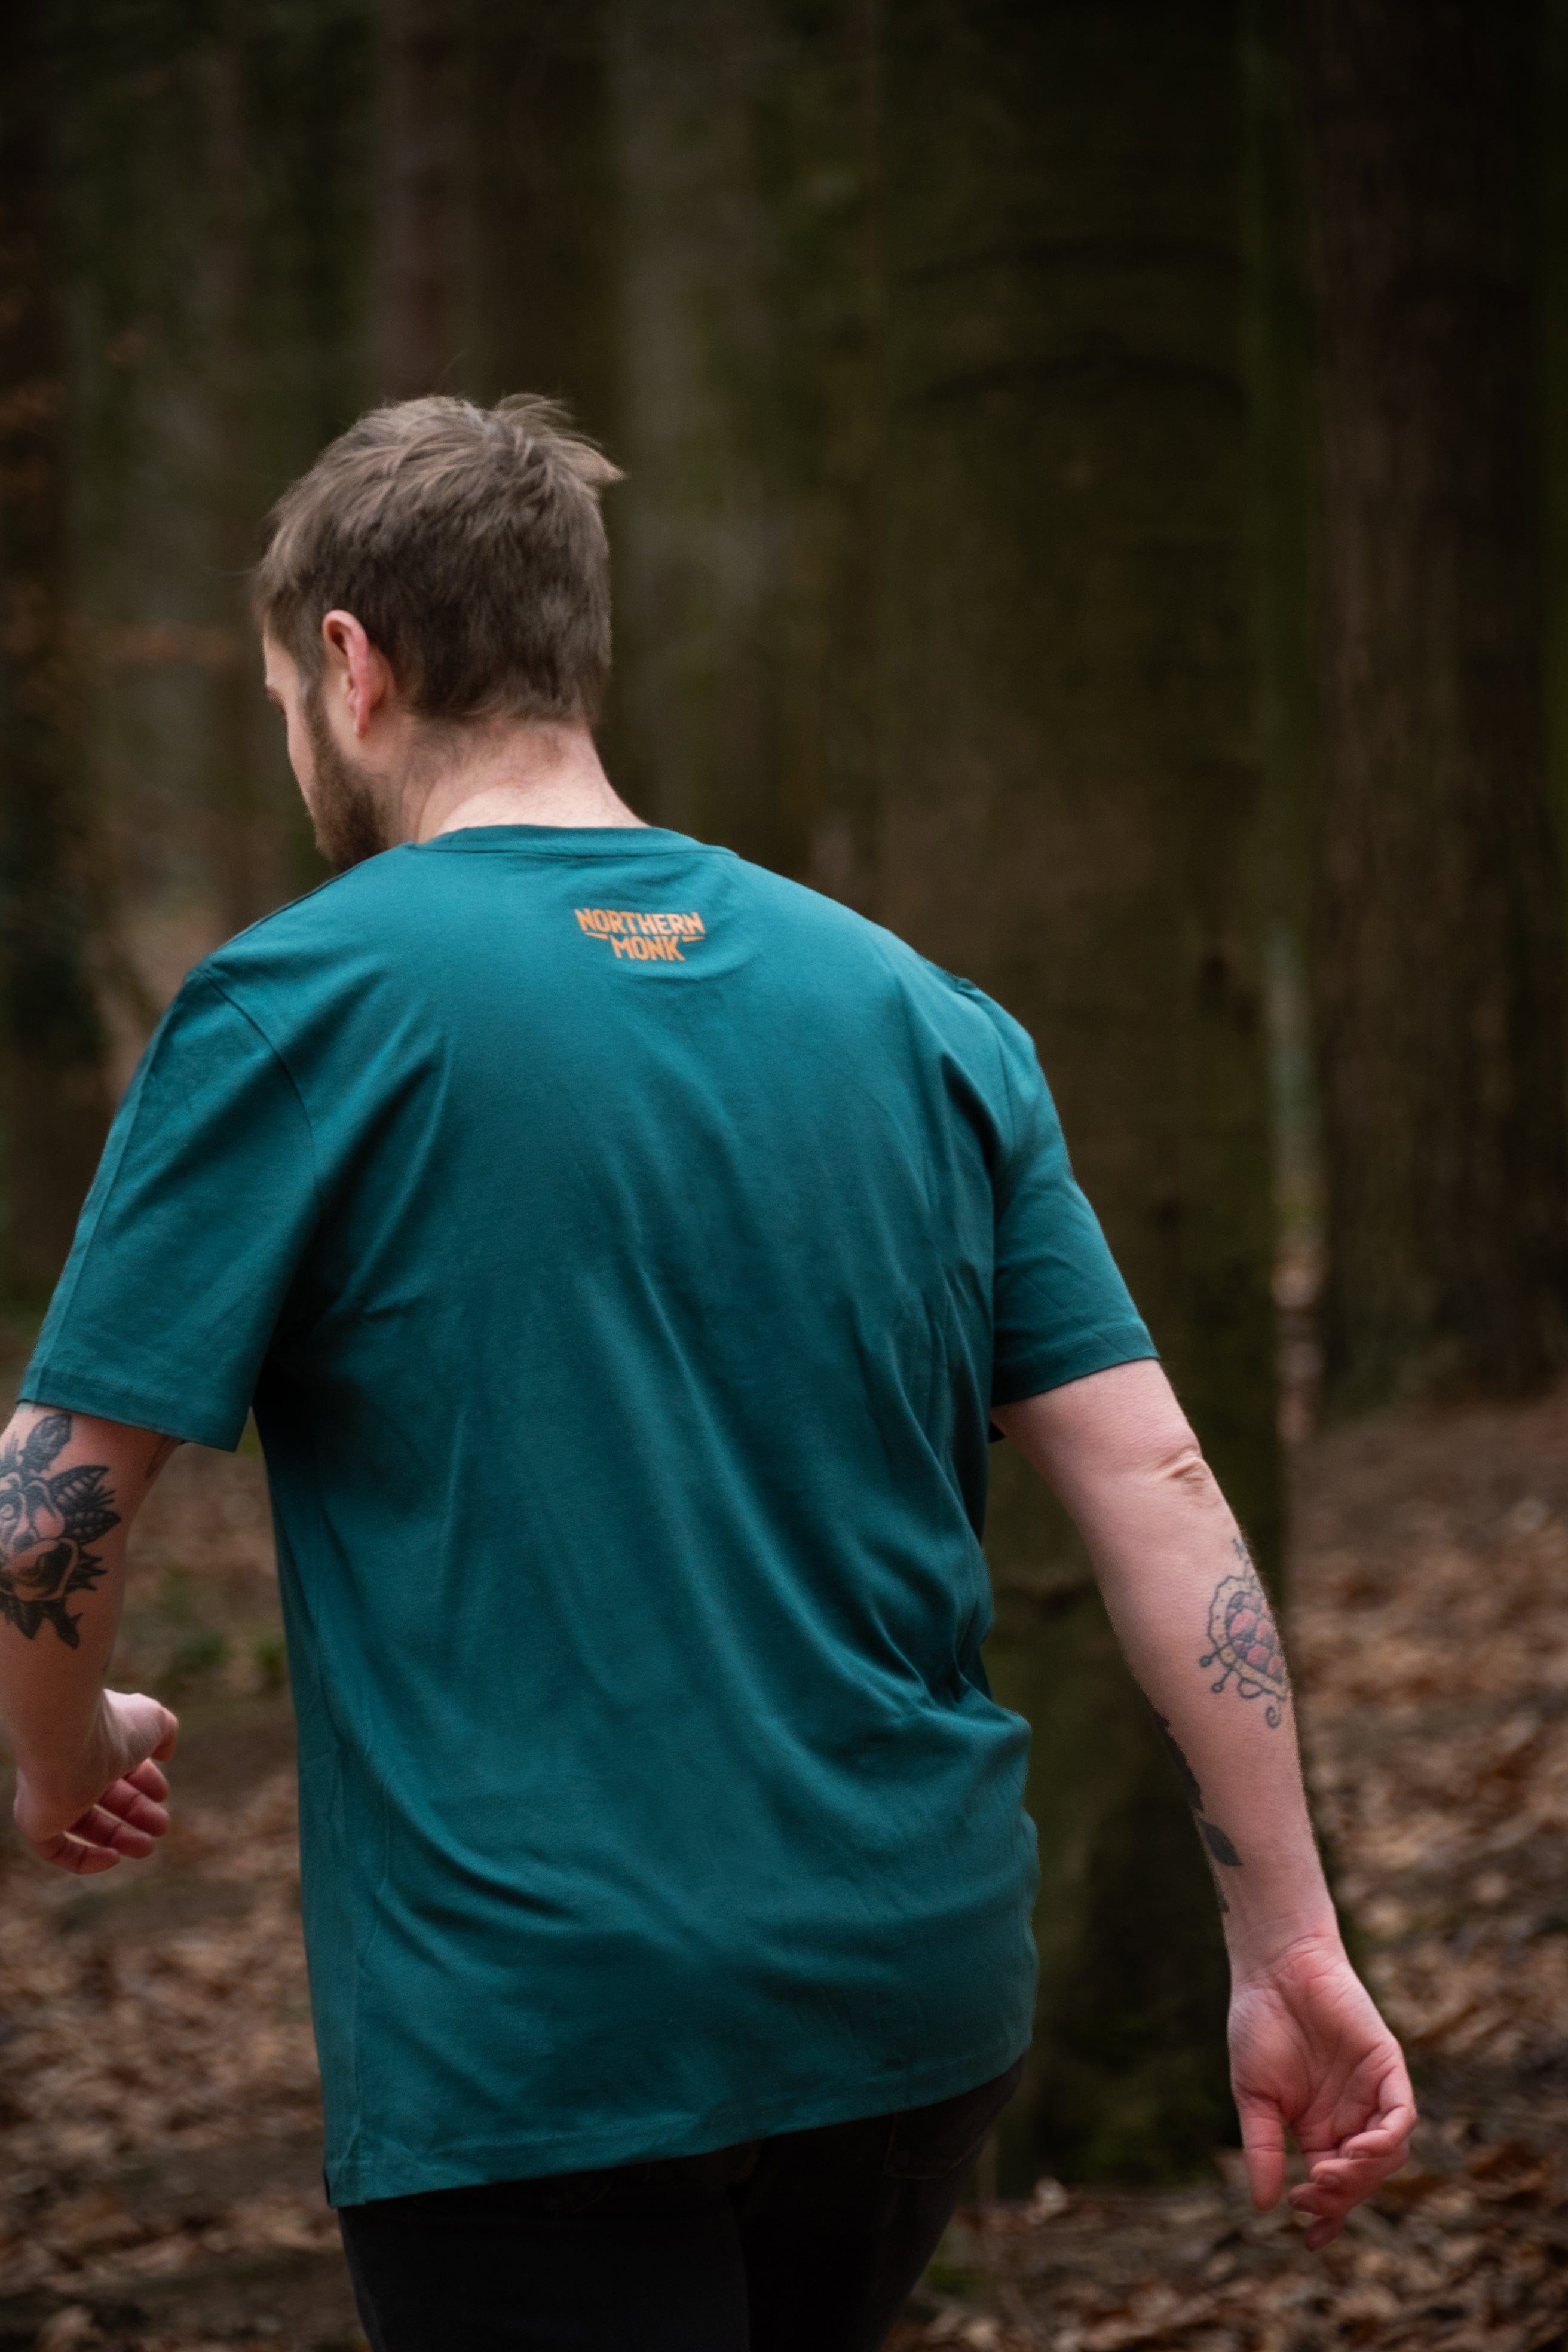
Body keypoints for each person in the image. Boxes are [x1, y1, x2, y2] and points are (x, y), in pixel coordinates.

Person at [0, 395, 1413, 2352]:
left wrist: (64, 1753)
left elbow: (50, 1506)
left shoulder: (291, 1009)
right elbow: (1159, 1488)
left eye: (281, 700)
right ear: (574, 649)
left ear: (350, 662)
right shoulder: (925, 1014)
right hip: (913, 2002)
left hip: (540, 2037)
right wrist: (1290, 1937)